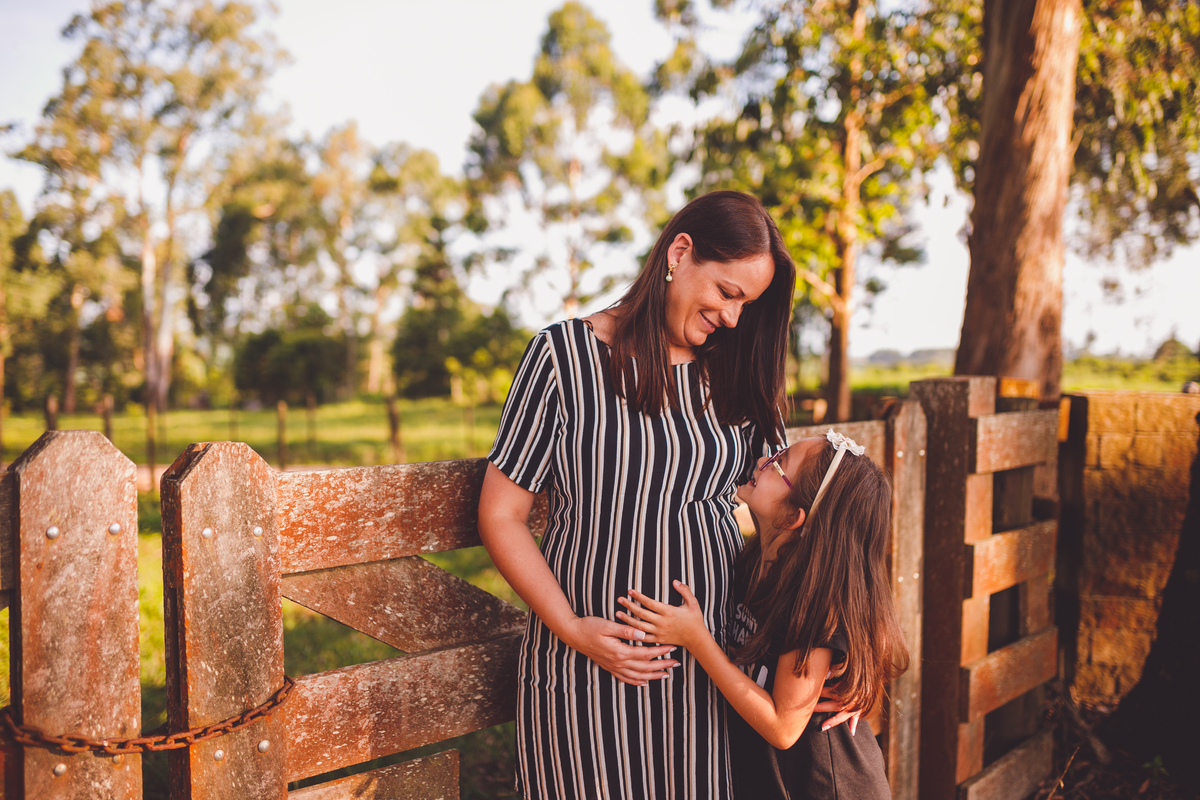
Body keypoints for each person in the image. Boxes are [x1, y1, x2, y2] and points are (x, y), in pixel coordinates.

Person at [479, 191, 854, 800]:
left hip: (709, 677)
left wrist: (837, 660)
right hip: (586, 668)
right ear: (681, 253)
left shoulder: (738, 372)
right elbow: (501, 513)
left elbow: (806, 519)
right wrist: (573, 629)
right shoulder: (563, 359)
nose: (734, 318)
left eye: (747, 304)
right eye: (728, 293)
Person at [618, 429, 909, 800]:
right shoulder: (756, 563)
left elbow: (783, 728)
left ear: (793, 517)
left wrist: (695, 639)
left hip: (825, 789)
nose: (763, 461)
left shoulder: (814, 604)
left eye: (780, 463)